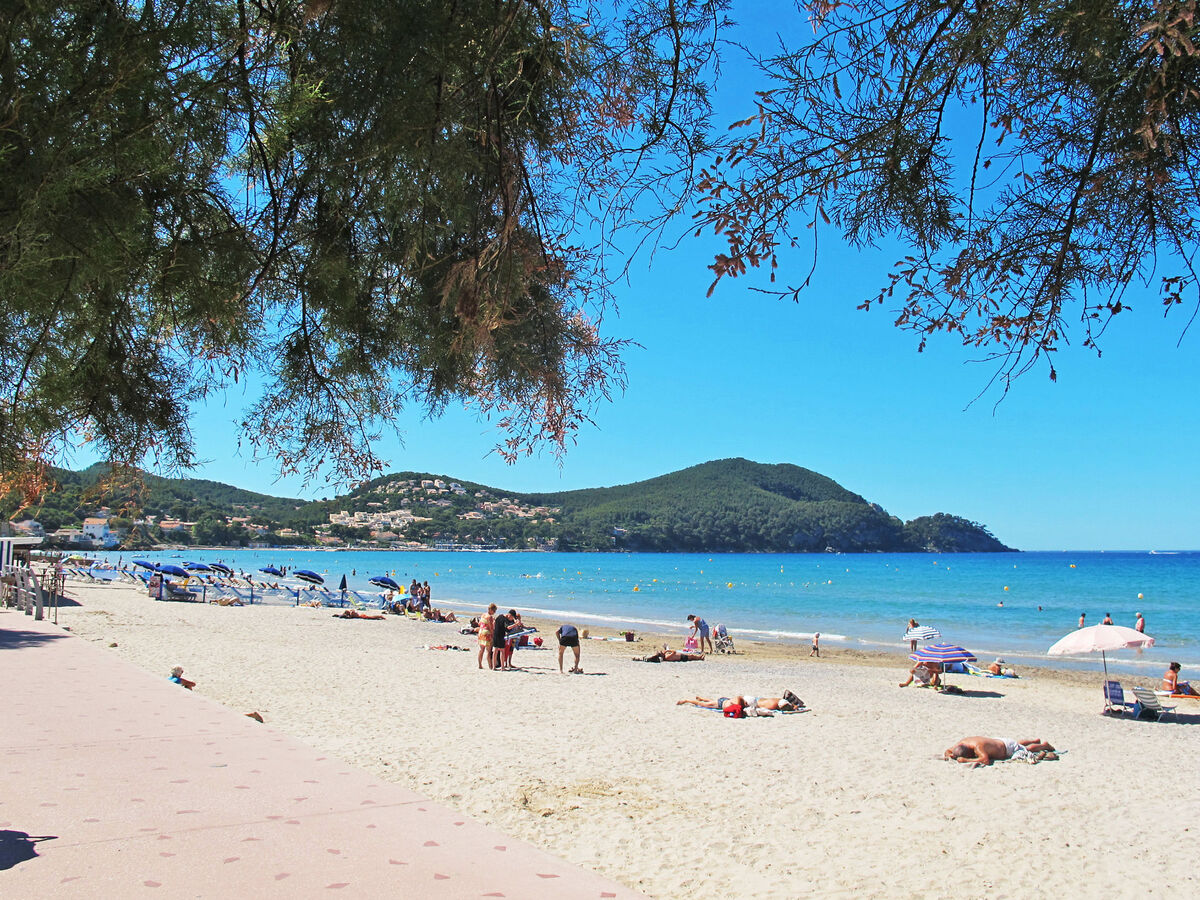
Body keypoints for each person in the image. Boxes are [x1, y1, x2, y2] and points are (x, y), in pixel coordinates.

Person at [944, 736, 1057, 767]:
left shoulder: (978, 747)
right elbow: (947, 751)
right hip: (999, 741)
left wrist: (965, 760)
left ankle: (1043, 745)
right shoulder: (963, 742)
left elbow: (985, 760)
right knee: (1017, 743)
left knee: (1025, 749)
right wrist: (951, 755)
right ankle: (1034, 740)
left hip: (1006, 748)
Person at [676, 693, 802, 713]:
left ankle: (702, 698)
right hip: (723, 702)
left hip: (724, 702)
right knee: (703, 704)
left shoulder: (738, 701)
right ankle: (687, 700)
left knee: (710, 702)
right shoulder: (737, 702)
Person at [477, 603, 496, 670]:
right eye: (494, 611)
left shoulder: (483, 615)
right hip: (487, 633)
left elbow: (479, 623)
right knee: (488, 651)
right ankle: (490, 666)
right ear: (491, 610)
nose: (494, 612)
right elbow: (491, 627)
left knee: (481, 650)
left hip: (481, 632)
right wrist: (493, 635)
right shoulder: (490, 617)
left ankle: (480, 665)